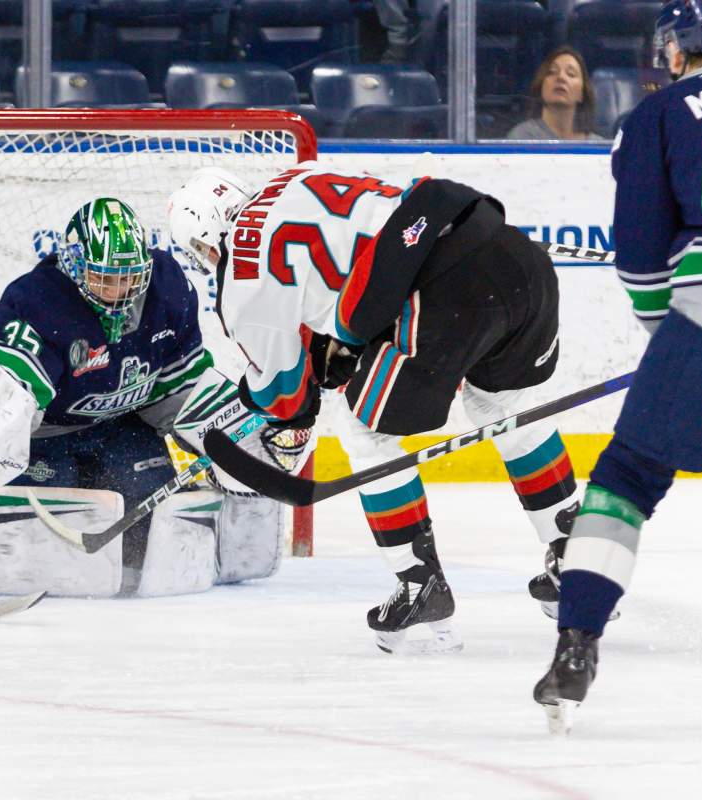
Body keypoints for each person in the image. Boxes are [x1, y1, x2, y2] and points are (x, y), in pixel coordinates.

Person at [169, 164, 582, 654]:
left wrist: (254, 397)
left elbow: (288, 398)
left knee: (366, 431)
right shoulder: (296, 178)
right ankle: (576, 555)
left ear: (205, 243)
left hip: (446, 294)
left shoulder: (242, 274)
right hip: (513, 253)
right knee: (503, 403)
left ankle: (418, 581)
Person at [0, 197, 296, 599]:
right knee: (44, 523)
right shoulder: (38, 301)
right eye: (104, 278)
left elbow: (184, 386)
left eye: (129, 278)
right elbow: (3, 395)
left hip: (124, 429)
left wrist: (234, 440)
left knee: (145, 533)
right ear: (74, 265)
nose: (119, 292)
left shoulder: (169, 290)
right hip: (43, 438)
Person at [533, 0, 702, 734]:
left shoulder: (660, 114)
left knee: (625, 480)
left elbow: (643, 253)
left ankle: (577, 643)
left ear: (679, 49)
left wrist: (672, 339)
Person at [507, 45, 605, 140]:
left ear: (582, 94)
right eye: (552, 72)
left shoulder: (599, 146)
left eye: (571, 74)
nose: (561, 77)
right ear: (541, 86)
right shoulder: (521, 138)